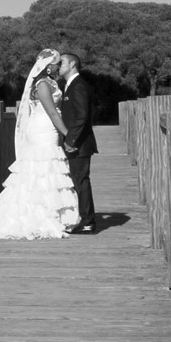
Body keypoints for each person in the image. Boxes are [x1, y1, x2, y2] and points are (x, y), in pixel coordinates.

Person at [0, 49, 79, 240]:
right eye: (55, 63)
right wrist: (68, 135)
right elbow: (52, 113)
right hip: (43, 129)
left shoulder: (50, 82)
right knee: (42, 167)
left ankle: (51, 211)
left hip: (49, 128)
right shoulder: (42, 85)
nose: (58, 65)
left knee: (47, 170)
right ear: (47, 66)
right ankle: (38, 216)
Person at [58, 53, 98, 234]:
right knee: (76, 181)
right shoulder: (69, 85)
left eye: (62, 63)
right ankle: (81, 218)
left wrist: (71, 140)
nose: (59, 66)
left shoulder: (79, 85)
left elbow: (82, 116)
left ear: (72, 64)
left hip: (79, 144)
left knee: (81, 181)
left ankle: (88, 222)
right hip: (75, 142)